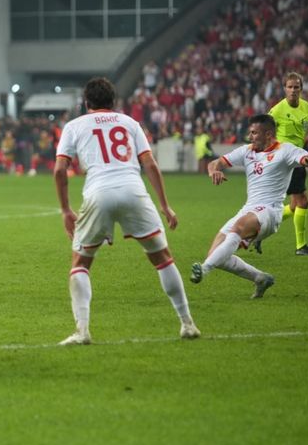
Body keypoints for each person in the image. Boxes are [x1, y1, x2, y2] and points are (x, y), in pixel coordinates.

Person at [54, 77, 199, 345]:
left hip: (98, 194)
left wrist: (65, 210)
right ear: (113, 102)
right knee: (163, 259)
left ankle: (82, 331)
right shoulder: (130, 123)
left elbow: (60, 169)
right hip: (134, 190)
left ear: (86, 103)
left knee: (81, 263)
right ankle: (187, 323)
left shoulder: (74, 126)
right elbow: (150, 164)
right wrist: (165, 204)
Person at [190, 114, 308, 298]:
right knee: (216, 253)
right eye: (250, 132)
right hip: (248, 209)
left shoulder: (285, 150)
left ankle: (204, 269)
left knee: (236, 230)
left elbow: (305, 159)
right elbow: (216, 162)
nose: (250, 136)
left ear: (268, 134)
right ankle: (260, 278)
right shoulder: (247, 151)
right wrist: (214, 170)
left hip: (269, 211)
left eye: (254, 133)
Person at [258, 72, 308, 255]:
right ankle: (300, 246)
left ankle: (256, 235)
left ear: (301, 89)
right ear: (284, 89)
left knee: (294, 206)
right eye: (289, 87)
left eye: (296, 87)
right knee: (303, 201)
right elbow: (263, 135)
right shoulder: (276, 111)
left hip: (298, 158)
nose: (293, 90)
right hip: (283, 161)